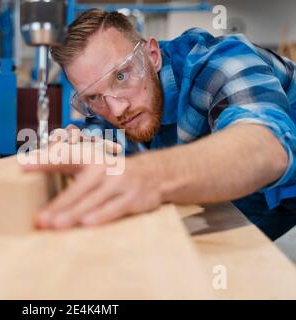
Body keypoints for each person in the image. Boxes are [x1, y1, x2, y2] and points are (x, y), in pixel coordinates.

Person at [23, 9, 296, 240]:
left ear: (152, 55)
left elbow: (266, 147)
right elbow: (99, 141)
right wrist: (77, 150)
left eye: (121, 76)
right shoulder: (108, 104)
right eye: (93, 97)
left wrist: (147, 176)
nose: (117, 109)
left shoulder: (217, 62)